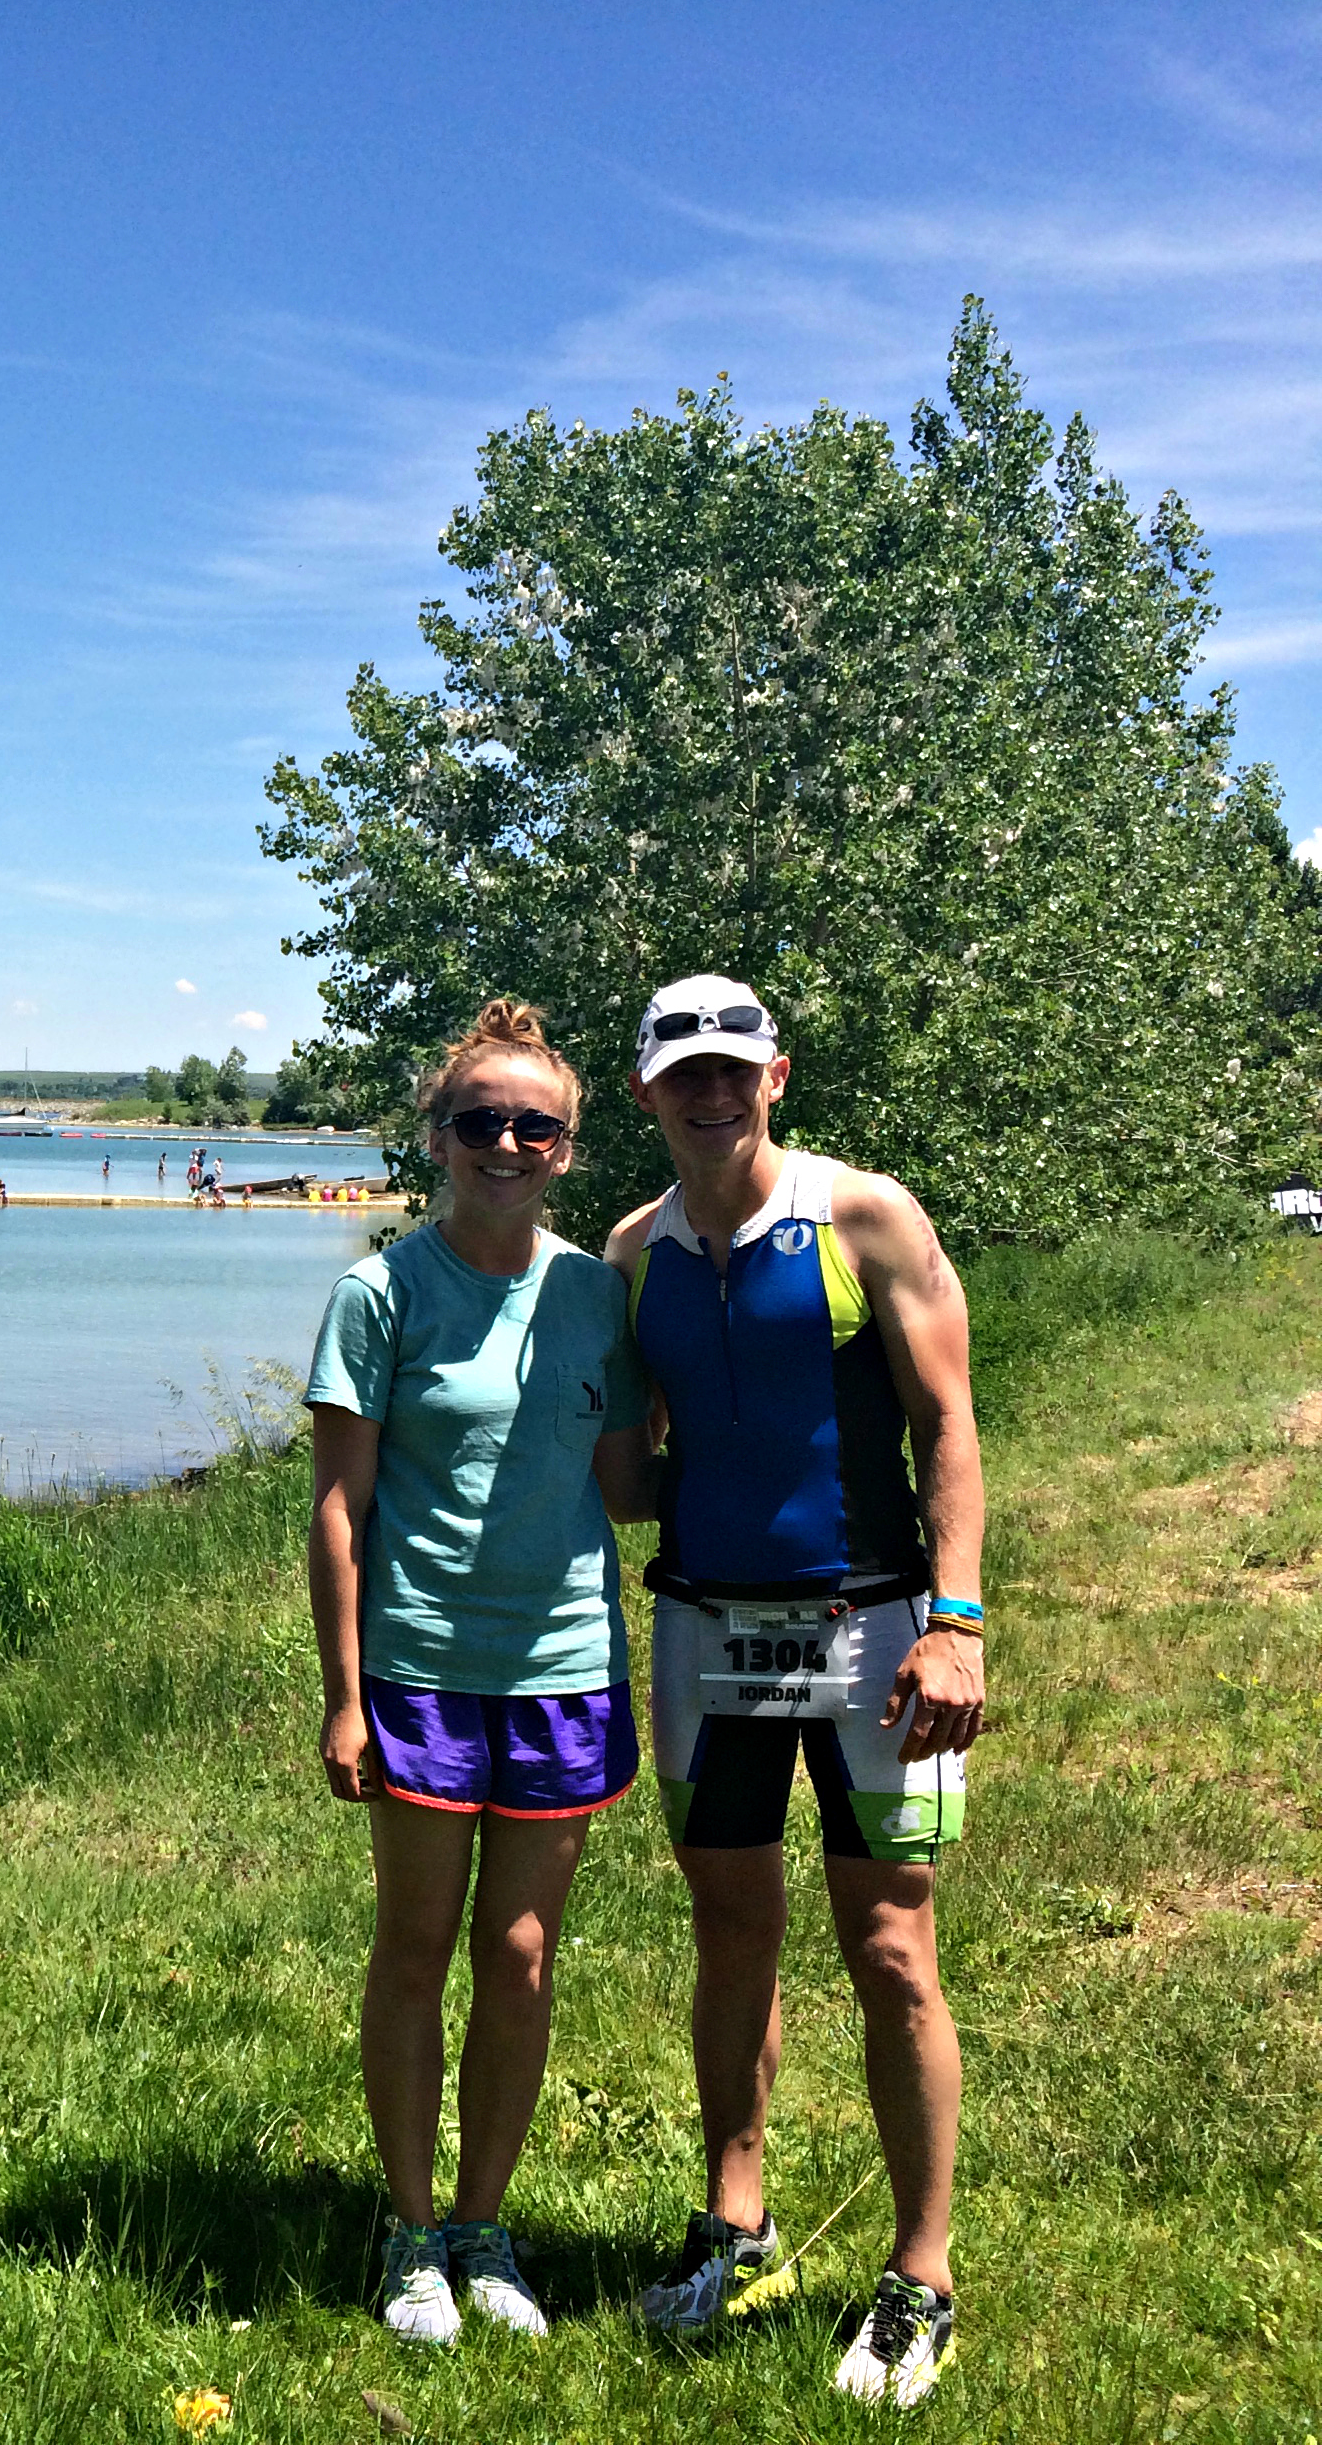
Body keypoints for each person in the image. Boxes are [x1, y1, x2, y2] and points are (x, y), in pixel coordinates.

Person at [603, 974, 985, 2409]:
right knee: (731, 1936)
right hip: (707, 1634)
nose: (711, 1094)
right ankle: (737, 2226)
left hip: (877, 1627)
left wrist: (957, 1622)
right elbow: (636, 1466)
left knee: (892, 1950)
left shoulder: (863, 1217)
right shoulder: (630, 1254)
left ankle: (920, 2277)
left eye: (733, 1069)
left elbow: (948, 1424)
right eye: (682, 1074)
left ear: (776, 1076)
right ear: (644, 1094)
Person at [306, 1000, 655, 2347]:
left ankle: (483, 2224)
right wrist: (344, 1693)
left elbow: (626, 1485)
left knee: (519, 1955)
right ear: (437, 1135)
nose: (505, 1141)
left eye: (535, 1124)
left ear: (568, 1146)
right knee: (415, 1946)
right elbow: (340, 1507)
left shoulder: (593, 1297)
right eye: (479, 1121)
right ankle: (407, 2232)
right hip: (420, 1670)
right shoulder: (381, 1292)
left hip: (564, 1667)